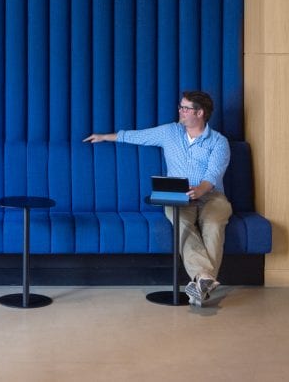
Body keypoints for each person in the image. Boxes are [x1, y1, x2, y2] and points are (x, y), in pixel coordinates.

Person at [84, 90, 231, 306]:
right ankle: (204, 279)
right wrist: (106, 137)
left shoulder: (219, 142)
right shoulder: (170, 132)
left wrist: (199, 190)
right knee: (181, 223)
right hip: (178, 197)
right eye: (181, 106)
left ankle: (202, 282)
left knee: (213, 225)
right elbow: (139, 136)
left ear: (200, 113)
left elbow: (213, 175)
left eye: (185, 108)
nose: (180, 111)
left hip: (212, 195)